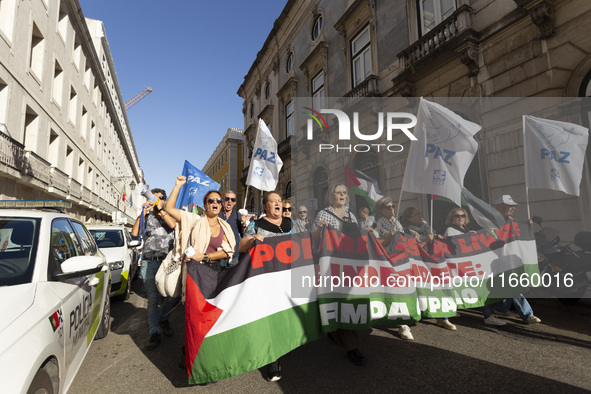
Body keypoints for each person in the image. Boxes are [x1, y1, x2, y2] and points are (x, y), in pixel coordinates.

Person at [239, 192, 292, 382]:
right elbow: (242, 247)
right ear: (265, 207)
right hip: (266, 280)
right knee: (270, 319)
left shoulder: (290, 224)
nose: (278, 204)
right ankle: (273, 360)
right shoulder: (257, 225)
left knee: (284, 317)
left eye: (280, 201)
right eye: (273, 202)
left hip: (287, 279)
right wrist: (253, 239)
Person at [314, 185, 367, 363]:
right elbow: (314, 241)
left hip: (350, 263)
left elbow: (358, 238)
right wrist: (319, 231)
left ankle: (336, 330)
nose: (342, 195)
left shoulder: (352, 215)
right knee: (337, 299)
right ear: (331, 196)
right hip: (332, 265)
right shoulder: (323, 214)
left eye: (344, 192)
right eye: (338, 192)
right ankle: (352, 347)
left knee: (346, 300)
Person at [131, 188, 178, 350]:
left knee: (171, 295)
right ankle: (154, 332)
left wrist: (160, 210)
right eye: (155, 197)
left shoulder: (170, 214)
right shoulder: (147, 216)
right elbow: (135, 233)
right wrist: (141, 213)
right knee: (152, 298)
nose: (158, 200)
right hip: (149, 261)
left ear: (165, 200)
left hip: (167, 262)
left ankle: (164, 318)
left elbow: (172, 225)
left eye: (161, 198)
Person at [443, 207, 507, 326]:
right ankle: (444, 317)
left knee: (474, 288)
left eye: (462, 216)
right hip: (458, 265)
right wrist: (468, 236)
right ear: (452, 218)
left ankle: (487, 315)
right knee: (463, 289)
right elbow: (454, 246)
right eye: (457, 216)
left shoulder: (465, 229)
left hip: (468, 265)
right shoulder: (450, 230)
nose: (460, 218)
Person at [401, 207, 455, 331]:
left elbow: (434, 239)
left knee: (439, 287)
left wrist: (437, 237)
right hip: (418, 265)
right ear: (409, 219)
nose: (419, 215)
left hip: (431, 262)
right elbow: (411, 250)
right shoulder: (407, 231)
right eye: (416, 214)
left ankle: (443, 318)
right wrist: (425, 241)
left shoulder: (427, 227)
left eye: (419, 213)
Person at [493, 195, 541, 324]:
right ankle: (527, 314)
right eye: (509, 205)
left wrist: (526, 225)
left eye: (513, 205)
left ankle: (501, 308)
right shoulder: (493, 219)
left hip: (508, 258)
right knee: (513, 285)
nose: (513, 208)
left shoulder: (509, 220)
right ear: (500, 207)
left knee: (507, 284)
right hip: (498, 258)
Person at [373, 198, 414, 339]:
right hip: (389, 261)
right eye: (387, 206)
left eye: (393, 206)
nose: (391, 208)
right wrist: (388, 239)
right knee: (395, 290)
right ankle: (402, 324)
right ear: (380, 209)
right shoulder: (377, 223)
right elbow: (375, 244)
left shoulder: (396, 222)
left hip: (402, 259)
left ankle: (404, 318)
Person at [219, 189, 246, 269]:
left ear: (235, 202)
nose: (229, 201)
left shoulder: (238, 215)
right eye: (227, 199)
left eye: (232, 199)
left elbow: (243, 234)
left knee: (232, 279)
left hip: (234, 254)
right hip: (220, 253)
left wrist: (243, 224)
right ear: (223, 200)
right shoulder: (217, 214)